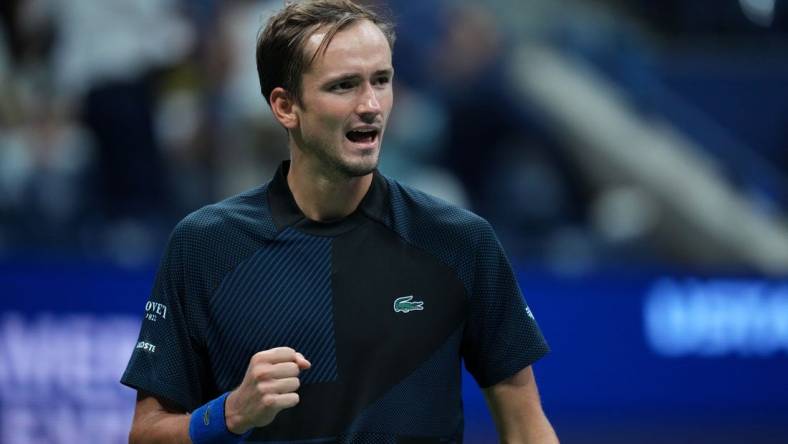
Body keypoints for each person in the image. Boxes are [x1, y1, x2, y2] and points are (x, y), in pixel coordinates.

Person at [122, 1, 557, 443]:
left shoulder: (459, 241)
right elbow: (145, 435)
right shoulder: (206, 244)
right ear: (286, 106)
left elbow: (526, 427)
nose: (371, 105)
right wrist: (229, 413)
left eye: (381, 81)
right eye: (344, 86)